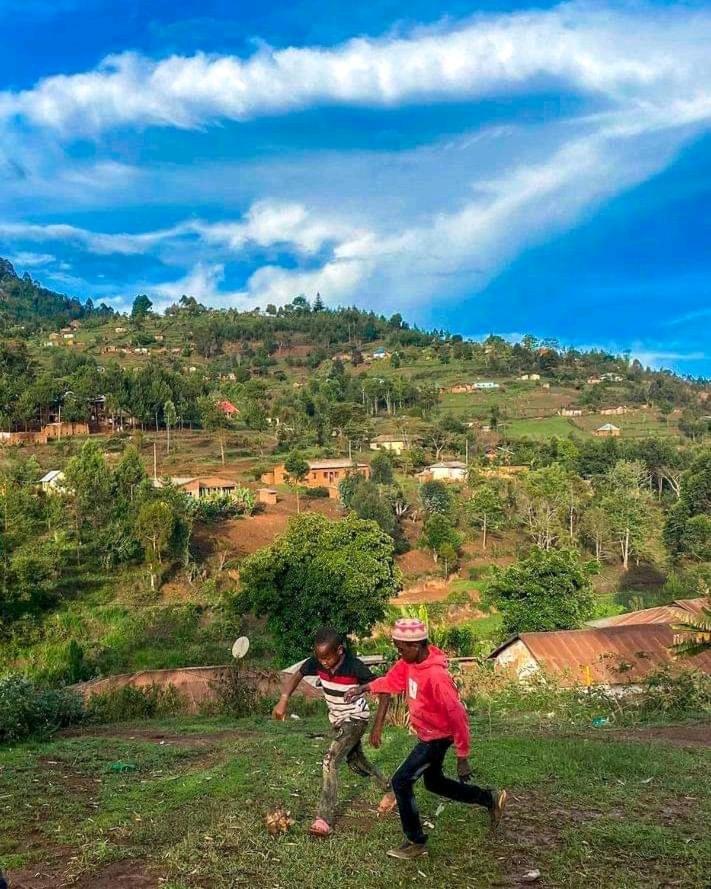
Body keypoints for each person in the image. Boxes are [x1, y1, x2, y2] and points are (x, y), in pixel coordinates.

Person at [345, 617, 507, 859]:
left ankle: (415, 841)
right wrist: (363, 688)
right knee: (434, 783)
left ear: (417, 645)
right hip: (427, 734)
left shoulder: (436, 676)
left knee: (401, 781)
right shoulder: (408, 664)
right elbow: (391, 681)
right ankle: (489, 798)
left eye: (401, 649)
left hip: (438, 738)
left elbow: (458, 716)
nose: (399, 653)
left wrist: (463, 756)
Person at [273, 626, 395, 837]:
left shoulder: (354, 667)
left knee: (330, 760)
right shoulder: (317, 661)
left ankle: (324, 818)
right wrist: (283, 700)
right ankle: (392, 790)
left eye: (327, 658)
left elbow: (383, 691)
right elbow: (298, 674)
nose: (323, 663)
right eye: (319, 659)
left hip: (355, 720)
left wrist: (377, 726)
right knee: (356, 762)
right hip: (339, 722)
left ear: (339, 650)